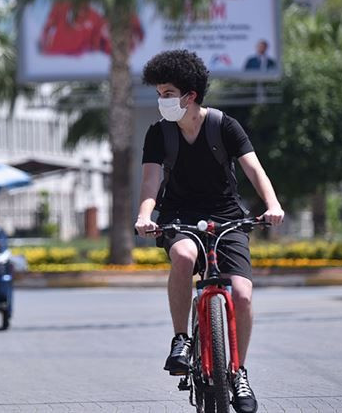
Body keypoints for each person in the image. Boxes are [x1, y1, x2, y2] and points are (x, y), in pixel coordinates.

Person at [134, 50, 284, 413]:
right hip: (179, 216)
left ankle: (238, 373)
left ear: (191, 95)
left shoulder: (224, 126)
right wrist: (144, 217)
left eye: (168, 92)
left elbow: (254, 170)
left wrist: (273, 205)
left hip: (227, 216)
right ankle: (181, 340)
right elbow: (150, 184)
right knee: (184, 256)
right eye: (159, 92)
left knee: (243, 295)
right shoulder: (159, 134)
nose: (162, 99)